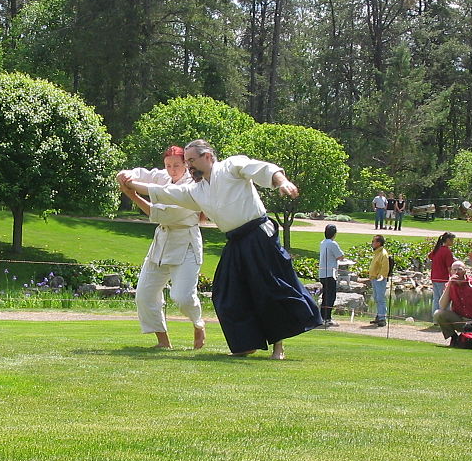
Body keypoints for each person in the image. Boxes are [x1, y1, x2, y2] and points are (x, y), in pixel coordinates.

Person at [121, 139, 322, 360]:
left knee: (267, 288)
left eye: (191, 161)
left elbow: (263, 168)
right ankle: (246, 344)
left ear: (207, 157)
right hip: (235, 240)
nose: (189, 166)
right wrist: (130, 185)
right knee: (226, 293)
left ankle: (278, 346)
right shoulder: (196, 191)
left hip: (258, 234)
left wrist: (282, 181)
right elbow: (164, 193)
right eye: (186, 162)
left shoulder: (231, 166)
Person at [116, 146, 206, 350]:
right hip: (162, 243)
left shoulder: (192, 187)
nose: (172, 169)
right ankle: (163, 342)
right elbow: (143, 173)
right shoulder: (163, 177)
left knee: (182, 297)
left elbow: (163, 214)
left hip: (187, 243)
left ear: (186, 164)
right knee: (145, 295)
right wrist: (125, 175)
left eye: (176, 165)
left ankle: (198, 324)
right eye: (168, 165)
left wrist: (131, 193)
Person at [433, 260, 472, 346]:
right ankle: (454, 338)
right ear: (451, 272)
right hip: (459, 320)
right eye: (454, 270)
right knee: (438, 314)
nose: (457, 272)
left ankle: (469, 336)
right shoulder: (449, 285)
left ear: (465, 271)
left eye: (460, 269)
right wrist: (450, 284)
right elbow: (442, 305)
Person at [318, 224, 344, 328]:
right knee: (330, 296)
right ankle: (327, 318)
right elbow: (340, 256)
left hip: (323, 273)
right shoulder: (333, 244)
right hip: (330, 273)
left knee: (325, 295)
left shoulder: (323, 243)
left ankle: (322, 317)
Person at [428, 232, 455, 316]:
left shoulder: (437, 249)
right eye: (452, 240)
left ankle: (435, 317)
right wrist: (453, 278)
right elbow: (449, 268)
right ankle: (444, 318)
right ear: (447, 240)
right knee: (444, 300)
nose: (453, 242)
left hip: (434, 277)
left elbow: (430, 256)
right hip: (443, 278)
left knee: (436, 299)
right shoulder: (447, 251)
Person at [368, 234, 389, 327]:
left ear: (379, 243)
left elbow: (385, 267)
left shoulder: (383, 254)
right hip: (374, 278)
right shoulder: (377, 253)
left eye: (373, 241)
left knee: (380, 298)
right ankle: (379, 316)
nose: (372, 243)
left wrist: (381, 277)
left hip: (379, 279)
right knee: (377, 298)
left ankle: (382, 318)